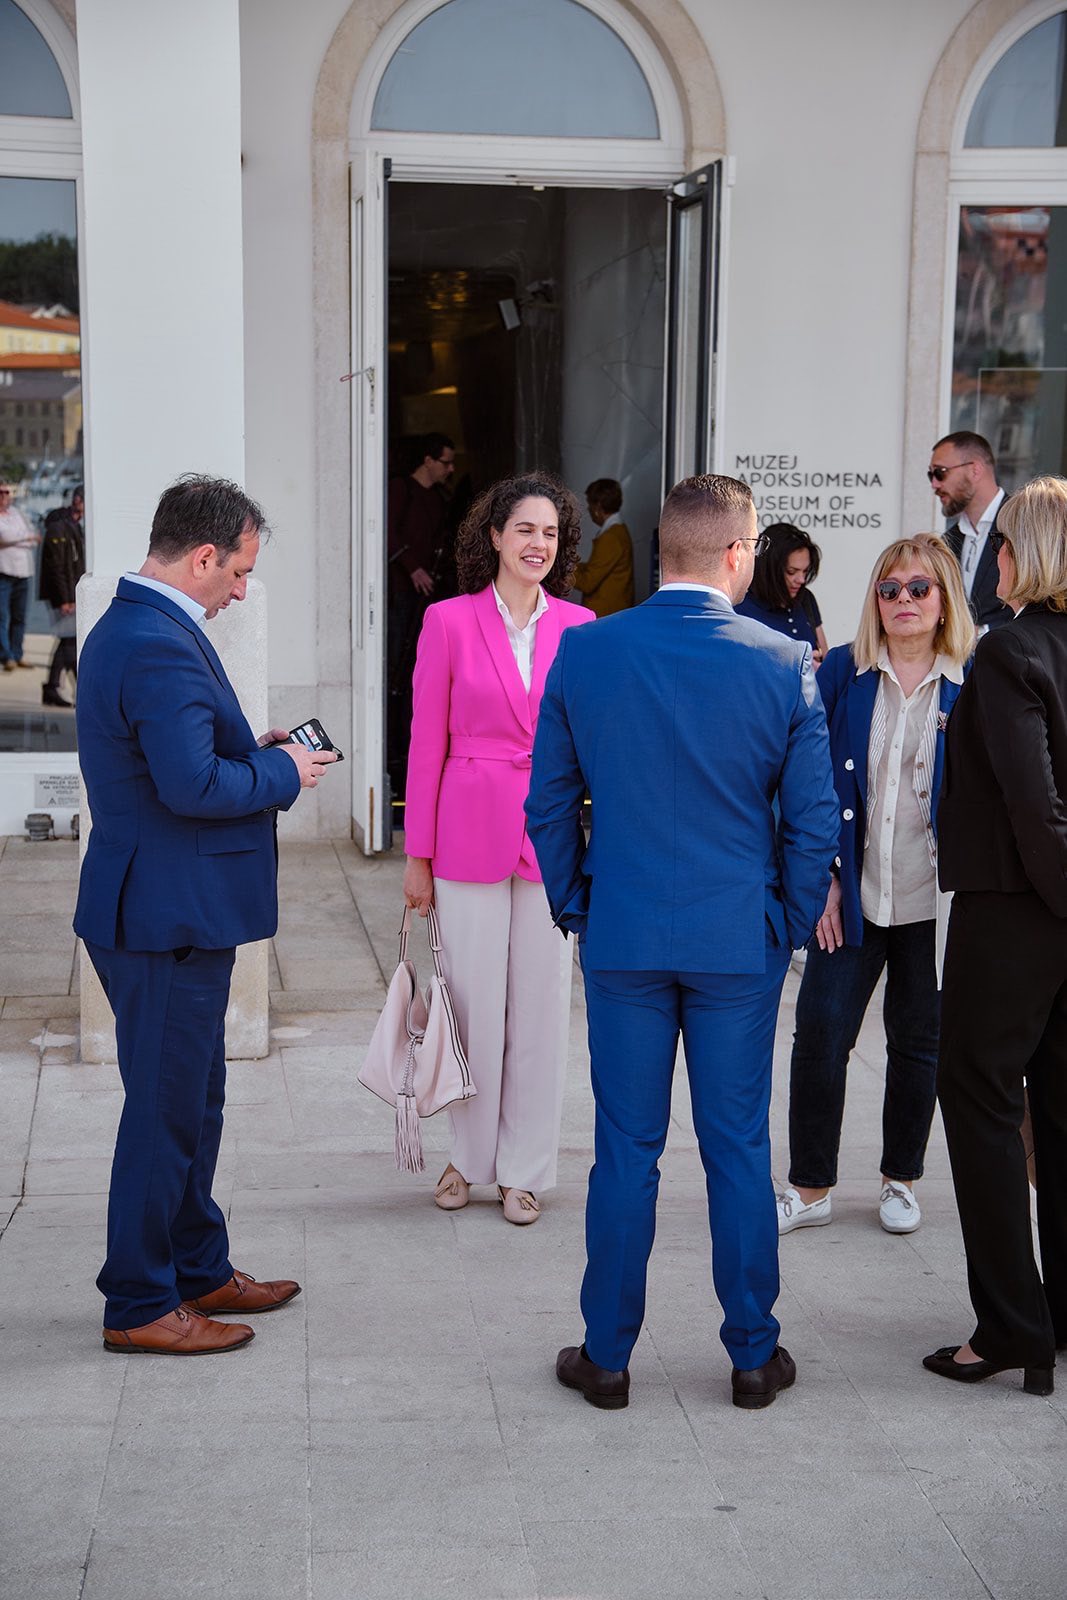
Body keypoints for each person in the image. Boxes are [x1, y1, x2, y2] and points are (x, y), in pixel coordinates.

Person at [526, 473, 838, 1410]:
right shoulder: (781, 662)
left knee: (625, 1150)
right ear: (737, 553)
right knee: (736, 1148)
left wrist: (578, 904)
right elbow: (812, 822)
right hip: (736, 937)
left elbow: (547, 803)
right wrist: (783, 923)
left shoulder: (586, 650)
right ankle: (752, 1355)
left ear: (663, 549)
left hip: (623, 930)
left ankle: (606, 1357)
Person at [74, 474, 337, 1356]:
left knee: (193, 1101)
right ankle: (140, 1302)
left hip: (166, 906)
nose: (242, 590)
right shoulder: (155, 640)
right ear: (202, 557)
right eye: (240, 572)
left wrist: (252, 749)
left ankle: (196, 1265)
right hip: (164, 916)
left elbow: (174, 758)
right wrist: (284, 772)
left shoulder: (141, 625)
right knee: (165, 1112)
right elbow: (189, 786)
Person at [402, 473, 594, 1226]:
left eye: (549, 532)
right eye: (524, 530)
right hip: (466, 835)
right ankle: (468, 1158)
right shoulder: (448, 620)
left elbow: (591, 742)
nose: (537, 544)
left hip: (549, 838)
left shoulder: (580, 625)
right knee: (472, 1007)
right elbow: (426, 744)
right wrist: (417, 857)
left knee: (542, 1010)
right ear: (494, 536)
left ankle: (525, 1170)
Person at [777, 534, 974, 1239]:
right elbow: (804, 783)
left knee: (917, 1042)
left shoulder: (972, 682)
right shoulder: (842, 674)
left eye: (918, 588)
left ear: (944, 597)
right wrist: (823, 880)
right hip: (851, 898)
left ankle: (900, 1180)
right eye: (889, 590)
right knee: (820, 1036)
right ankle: (810, 1188)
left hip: (933, 902)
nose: (902, 601)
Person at [926, 474, 1067, 1397]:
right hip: (1048, 905)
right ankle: (1053, 1315)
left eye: (1004, 545)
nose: (996, 562)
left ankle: (1012, 1328)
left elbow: (1031, 801)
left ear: (1027, 552)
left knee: (977, 1100)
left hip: (1018, 906)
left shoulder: (1009, 648)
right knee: (1056, 1109)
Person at [386, 433, 456, 791]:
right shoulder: (401, 489)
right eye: (446, 462)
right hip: (402, 595)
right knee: (396, 673)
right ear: (428, 460)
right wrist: (413, 568)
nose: (451, 469)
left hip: (426, 599)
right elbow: (387, 533)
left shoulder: (439, 498)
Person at [928, 430, 1010, 633]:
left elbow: (1044, 602)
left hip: (1014, 650)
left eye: (940, 472)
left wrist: (982, 632)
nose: (934, 484)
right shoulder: (948, 541)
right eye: (931, 475)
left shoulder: (1023, 526)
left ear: (975, 470)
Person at [735, 522, 829, 664]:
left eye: (805, 571)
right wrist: (798, 664)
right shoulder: (741, 606)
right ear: (769, 569)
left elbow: (825, 658)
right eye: (791, 572)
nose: (801, 580)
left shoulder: (805, 598)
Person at [39, 484, 86, 707]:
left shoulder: (74, 525)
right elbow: (56, 566)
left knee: (67, 640)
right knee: (68, 640)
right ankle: (70, 688)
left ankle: (56, 688)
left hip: (69, 592)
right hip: (63, 596)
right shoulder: (59, 526)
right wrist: (65, 599)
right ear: (77, 501)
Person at [573, 478, 634, 616]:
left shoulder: (611, 537)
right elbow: (596, 568)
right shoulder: (617, 532)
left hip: (605, 616)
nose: (588, 509)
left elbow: (587, 582)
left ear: (598, 507)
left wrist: (564, 569)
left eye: (589, 504)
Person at [0, 480, 41, 672]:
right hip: (4, 572)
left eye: (6, 492)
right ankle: (6, 655)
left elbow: (35, 535)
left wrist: (19, 539)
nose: (4, 496)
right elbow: (4, 536)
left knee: (19, 616)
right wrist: (24, 538)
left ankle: (17, 653)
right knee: (2, 616)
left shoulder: (17, 513)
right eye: (0, 493)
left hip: (23, 572)